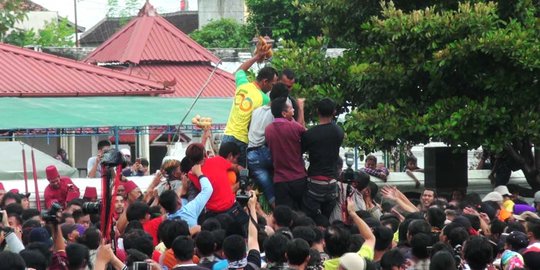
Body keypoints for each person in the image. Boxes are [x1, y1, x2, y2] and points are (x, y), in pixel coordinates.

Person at [222, 49, 278, 167]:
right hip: (242, 140)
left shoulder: (242, 84)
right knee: (241, 173)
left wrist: (256, 57)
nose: (272, 88)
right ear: (265, 81)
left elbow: (240, 70)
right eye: (272, 84)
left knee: (223, 169)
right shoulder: (264, 99)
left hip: (227, 136)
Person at [246, 82, 290, 208]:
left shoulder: (256, 111)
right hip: (267, 152)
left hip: (251, 155)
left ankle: (274, 209)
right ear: (283, 100)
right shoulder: (276, 116)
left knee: (268, 189)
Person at [302, 98, 343, 219]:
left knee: (310, 218)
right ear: (334, 112)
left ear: (317, 111)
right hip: (332, 182)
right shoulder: (339, 131)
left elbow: (300, 149)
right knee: (326, 218)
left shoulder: (311, 134)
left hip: (314, 181)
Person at [265, 97, 306, 210]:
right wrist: (301, 108)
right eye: (290, 108)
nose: (293, 110)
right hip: (298, 177)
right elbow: (303, 130)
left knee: (285, 215)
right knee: (301, 213)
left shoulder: (268, 130)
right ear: (284, 113)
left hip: (280, 180)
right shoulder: (294, 127)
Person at [159, 163, 213, 228]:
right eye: (180, 170)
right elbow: (208, 189)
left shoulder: (164, 224)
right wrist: (199, 173)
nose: (183, 173)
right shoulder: (189, 210)